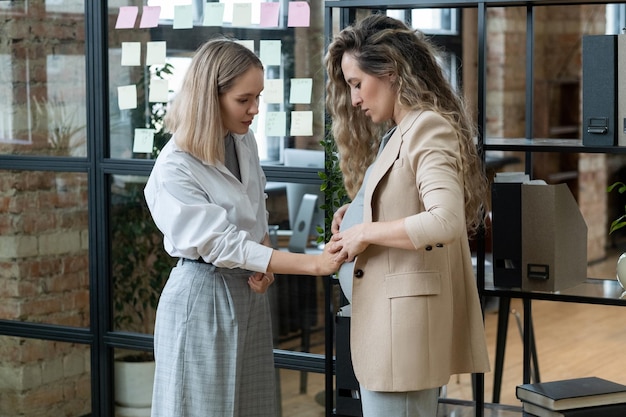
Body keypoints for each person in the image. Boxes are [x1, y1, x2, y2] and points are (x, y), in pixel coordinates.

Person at [143, 37, 344, 417]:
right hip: (201, 298)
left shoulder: (243, 140)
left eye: (258, 97)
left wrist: (263, 267)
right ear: (209, 96)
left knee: (253, 406)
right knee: (203, 408)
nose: (254, 109)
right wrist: (313, 265)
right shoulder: (175, 168)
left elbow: (256, 208)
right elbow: (223, 245)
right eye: (243, 99)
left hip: (248, 296)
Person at [324, 14, 491, 417]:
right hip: (388, 328)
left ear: (392, 71)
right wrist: (358, 210)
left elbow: (444, 220)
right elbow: (406, 199)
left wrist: (366, 231)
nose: (355, 99)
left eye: (357, 84)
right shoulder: (400, 130)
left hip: (403, 335)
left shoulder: (427, 127)